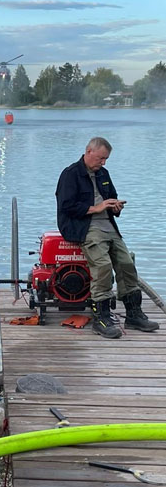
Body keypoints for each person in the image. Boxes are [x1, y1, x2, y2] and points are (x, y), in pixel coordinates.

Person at [56, 136, 158, 339]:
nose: (103, 163)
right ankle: (101, 318)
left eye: (106, 159)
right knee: (102, 266)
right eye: (101, 158)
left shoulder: (104, 174)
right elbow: (66, 206)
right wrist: (96, 208)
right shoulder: (70, 174)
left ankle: (134, 314)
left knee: (127, 263)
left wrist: (116, 206)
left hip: (109, 227)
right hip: (86, 227)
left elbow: (111, 196)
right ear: (88, 151)